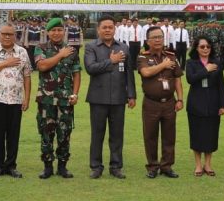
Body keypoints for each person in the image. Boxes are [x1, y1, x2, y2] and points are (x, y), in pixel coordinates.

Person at [84, 16, 136, 179]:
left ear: (115, 29)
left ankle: (116, 166)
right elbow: (91, 68)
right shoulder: (91, 47)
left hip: (119, 98)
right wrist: (110, 61)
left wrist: (131, 94)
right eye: (104, 27)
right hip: (98, 98)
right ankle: (96, 166)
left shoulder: (124, 47)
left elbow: (129, 73)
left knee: (117, 134)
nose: (107, 30)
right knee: (97, 134)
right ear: (99, 29)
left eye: (110, 27)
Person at [0, 24, 32, 178]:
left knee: (13, 134)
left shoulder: (22, 52)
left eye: (10, 34)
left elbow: (27, 76)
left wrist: (27, 98)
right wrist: (6, 63)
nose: (7, 36)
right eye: (4, 34)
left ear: (15, 35)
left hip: (15, 100)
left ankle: (11, 165)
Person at [33, 18, 82, 179]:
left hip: (65, 100)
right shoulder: (40, 48)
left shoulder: (72, 50)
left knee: (64, 133)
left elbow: (76, 74)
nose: (56, 33)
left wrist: (75, 94)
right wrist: (60, 55)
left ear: (64, 31)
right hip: (46, 100)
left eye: (59, 30)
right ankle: (47, 166)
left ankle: (62, 166)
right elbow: (42, 66)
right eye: (53, 30)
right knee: (46, 134)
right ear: (48, 32)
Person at [137, 25, 183, 179]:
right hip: (151, 103)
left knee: (169, 136)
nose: (157, 40)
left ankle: (167, 166)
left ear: (164, 39)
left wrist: (180, 99)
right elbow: (146, 72)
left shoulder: (171, 55)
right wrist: (163, 65)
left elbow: (177, 79)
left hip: (169, 102)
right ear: (148, 41)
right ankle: (152, 166)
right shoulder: (143, 57)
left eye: (160, 37)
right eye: (154, 37)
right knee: (150, 135)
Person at [185, 37, 224, 176]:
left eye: (208, 46)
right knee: (197, 135)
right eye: (202, 46)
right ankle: (198, 165)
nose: (205, 49)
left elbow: (221, 84)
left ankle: (208, 164)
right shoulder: (190, 63)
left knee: (211, 135)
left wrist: (223, 104)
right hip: (196, 104)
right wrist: (206, 69)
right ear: (196, 48)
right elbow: (191, 79)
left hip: (213, 104)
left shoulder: (217, 62)